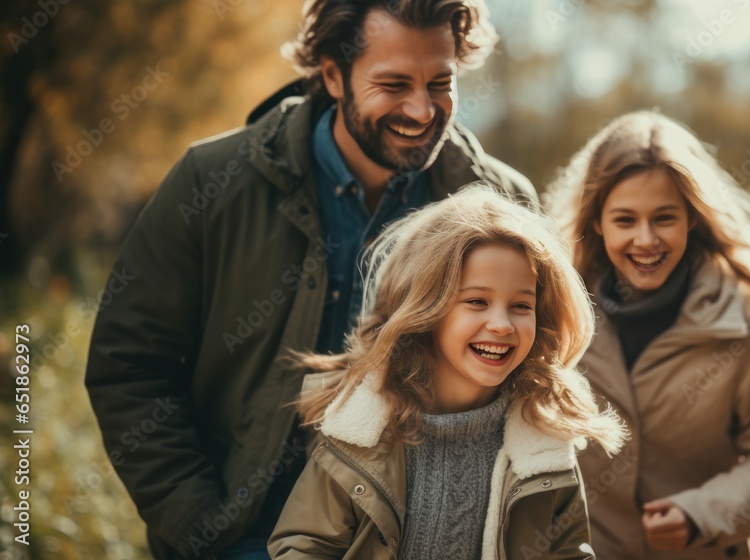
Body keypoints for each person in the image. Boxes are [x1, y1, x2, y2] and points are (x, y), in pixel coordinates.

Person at [84, 1, 536, 558]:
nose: (422, 110)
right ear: (331, 75)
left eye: (440, 83)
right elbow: (129, 363)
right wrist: (201, 525)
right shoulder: (212, 182)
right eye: (393, 84)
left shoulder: (503, 205)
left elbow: (534, 383)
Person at [266, 187, 626, 559]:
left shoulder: (544, 445)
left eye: (521, 305)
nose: (502, 324)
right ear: (426, 308)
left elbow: (569, 553)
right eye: (476, 301)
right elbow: (304, 548)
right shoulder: (358, 431)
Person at [544, 111, 750, 560]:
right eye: (625, 220)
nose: (646, 240)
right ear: (597, 221)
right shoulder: (552, 316)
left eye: (664, 218)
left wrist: (702, 514)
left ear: (691, 219)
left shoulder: (747, 322)